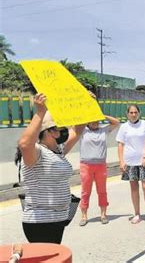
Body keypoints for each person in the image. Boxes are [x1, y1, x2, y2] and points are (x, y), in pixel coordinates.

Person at [16, 93, 84, 244]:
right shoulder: (37, 152)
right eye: (60, 127)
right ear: (50, 131)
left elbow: (78, 130)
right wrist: (40, 112)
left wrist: (84, 105)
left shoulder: (58, 150)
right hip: (41, 221)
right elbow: (24, 144)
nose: (65, 130)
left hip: (58, 218)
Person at [116, 104, 145, 224]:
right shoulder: (124, 127)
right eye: (131, 112)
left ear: (139, 113)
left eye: (135, 112)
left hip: (143, 161)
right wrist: (121, 161)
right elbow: (120, 144)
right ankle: (137, 214)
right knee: (134, 188)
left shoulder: (144, 124)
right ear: (127, 114)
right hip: (130, 161)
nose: (133, 115)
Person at [78, 114, 120, 226]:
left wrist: (102, 115)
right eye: (92, 121)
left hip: (100, 165)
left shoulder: (104, 130)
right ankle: (84, 215)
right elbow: (72, 123)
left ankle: (103, 214)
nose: (95, 122)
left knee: (102, 191)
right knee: (85, 192)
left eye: (96, 120)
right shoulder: (82, 130)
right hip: (86, 165)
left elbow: (116, 122)